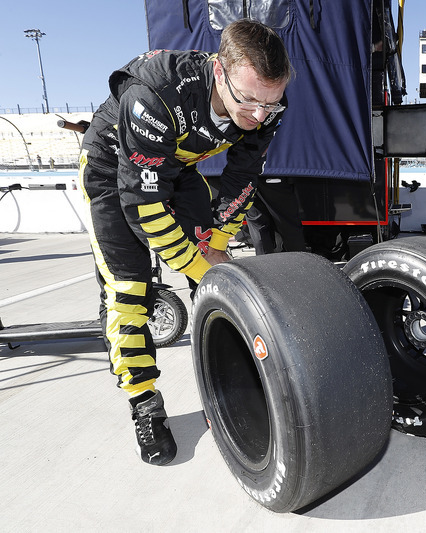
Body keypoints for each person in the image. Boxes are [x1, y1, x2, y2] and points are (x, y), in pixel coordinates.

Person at [79, 19, 292, 465]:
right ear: (219, 72)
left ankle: (231, 384)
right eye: (249, 100)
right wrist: (200, 264)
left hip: (175, 170)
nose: (258, 115)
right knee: (129, 289)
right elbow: (143, 206)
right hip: (110, 173)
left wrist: (217, 241)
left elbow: (243, 177)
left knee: (221, 277)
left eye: (269, 105)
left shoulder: (268, 100)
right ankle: (144, 403)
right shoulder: (153, 95)